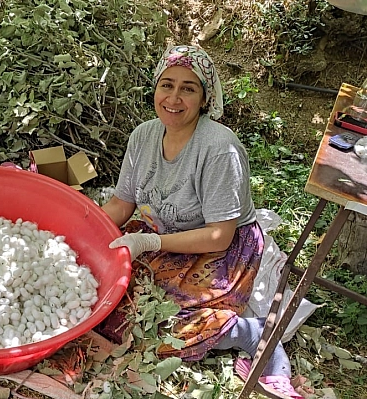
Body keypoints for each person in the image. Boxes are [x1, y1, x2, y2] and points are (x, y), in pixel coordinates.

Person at [97, 45, 304, 399]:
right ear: (155, 89)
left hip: (222, 248)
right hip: (162, 231)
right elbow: (121, 202)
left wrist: (149, 243)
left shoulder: (219, 149)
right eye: (167, 85)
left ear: (205, 99)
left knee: (162, 327)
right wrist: (84, 235)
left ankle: (250, 334)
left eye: (188, 88)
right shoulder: (143, 136)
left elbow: (219, 234)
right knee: (110, 299)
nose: (174, 98)